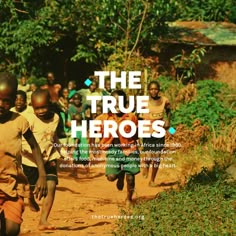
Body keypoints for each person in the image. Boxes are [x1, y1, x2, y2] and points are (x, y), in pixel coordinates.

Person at [0, 72, 47, 236]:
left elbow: (34, 146)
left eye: (6, 101)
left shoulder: (20, 121)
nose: (1, 104)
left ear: (14, 101)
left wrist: (42, 174)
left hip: (13, 185)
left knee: (12, 230)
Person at [21, 89, 62, 230]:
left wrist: (60, 150)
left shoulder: (56, 117)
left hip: (49, 157)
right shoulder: (28, 119)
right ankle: (30, 197)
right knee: (34, 189)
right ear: (32, 106)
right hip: (30, 160)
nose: (41, 111)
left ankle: (43, 220)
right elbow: (24, 143)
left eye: (44, 107)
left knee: (51, 186)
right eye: (37, 108)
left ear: (50, 104)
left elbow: (53, 136)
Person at [95, 90, 140, 206]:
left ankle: (129, 199)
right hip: (113, 150)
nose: (117, 105)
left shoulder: (131, 117)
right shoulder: (104, 118)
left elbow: (136, 134)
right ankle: (120, 174)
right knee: (111, 177)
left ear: (125, 103)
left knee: (130, 178)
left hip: (130, 149)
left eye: (120, 102)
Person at [139, 80, 171, 187]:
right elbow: (137, 115)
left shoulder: (164, 100)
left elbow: (169, 111)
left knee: (156, 157)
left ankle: (152, 180)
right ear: (148, 90)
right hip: (147, 131)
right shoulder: (144, 102)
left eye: (155, 89)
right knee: (148, 156)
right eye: (151, 89)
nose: (154, 91)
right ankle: (146, 166)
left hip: (159, 131)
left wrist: (168, 121)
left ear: (159, 90)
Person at [72, 113, 90, 177]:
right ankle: (88, 173)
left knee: (75, 161)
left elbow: (77, 139)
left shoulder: (76, 129)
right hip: (85, 147)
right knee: (85, 161)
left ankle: (74, 173)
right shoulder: (83, 128)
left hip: (79, 148)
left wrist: (75, 147)